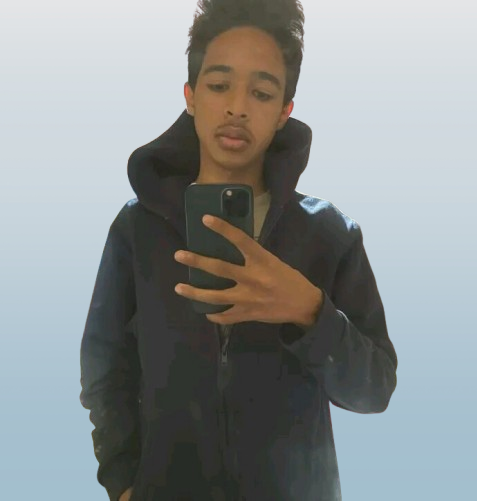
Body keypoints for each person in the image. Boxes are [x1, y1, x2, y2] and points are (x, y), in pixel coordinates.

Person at [79, 0, 398, 500]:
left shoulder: (329, 234)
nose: (237, 107)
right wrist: (122, 483)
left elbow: (375, 389)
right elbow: (104, 370)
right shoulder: (138, 229)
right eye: (219, 85)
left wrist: (309, 311)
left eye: (262, 92)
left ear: (284, 112)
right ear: (190, 96)